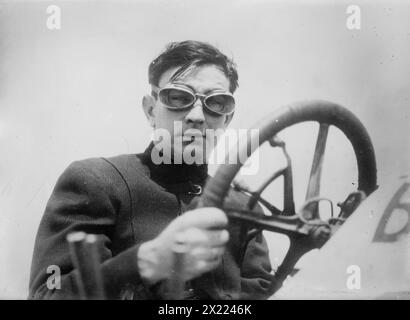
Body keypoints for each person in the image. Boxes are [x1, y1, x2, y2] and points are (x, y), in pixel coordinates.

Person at [29, 40, 276, 300]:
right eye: (179, 97)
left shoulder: (243, 208)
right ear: (150, 110)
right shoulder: (95, 180)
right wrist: (148, 263)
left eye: (216, 103)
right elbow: (48, 294)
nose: (198, 116)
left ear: (227, 118)